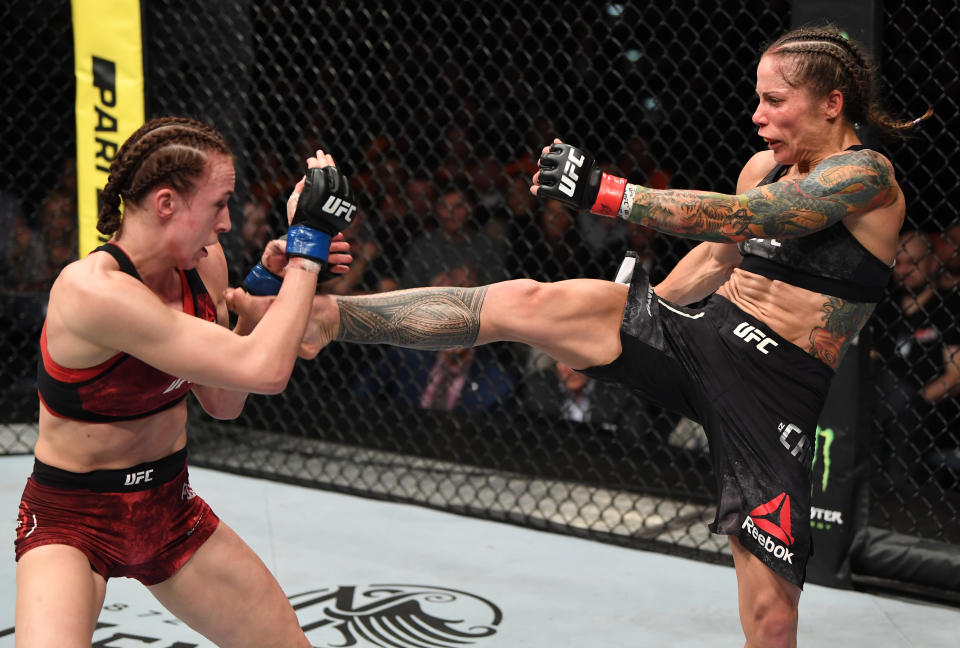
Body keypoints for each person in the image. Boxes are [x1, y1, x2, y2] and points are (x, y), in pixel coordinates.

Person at [228, 26, 929, 647]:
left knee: (772, 619)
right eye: (757, 97)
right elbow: (719, 255)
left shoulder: (867, 178)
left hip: (774, 392)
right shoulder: (763, 163)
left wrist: (608, 193)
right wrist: (636, 311)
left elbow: (750, 217)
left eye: (775, 101)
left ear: (832, 103)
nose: (757, 116)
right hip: (700, 335)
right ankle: (325, 321)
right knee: (525, 300)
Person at [14, 116, 355, 647]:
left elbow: (223, 401)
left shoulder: (204, 267)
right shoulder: (94, 293)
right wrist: (306, 254)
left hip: (169, 508)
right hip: (72, 521)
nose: (226, 223)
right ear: (168, 203)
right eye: (218, 204)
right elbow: (265, 371)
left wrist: (263, 292)